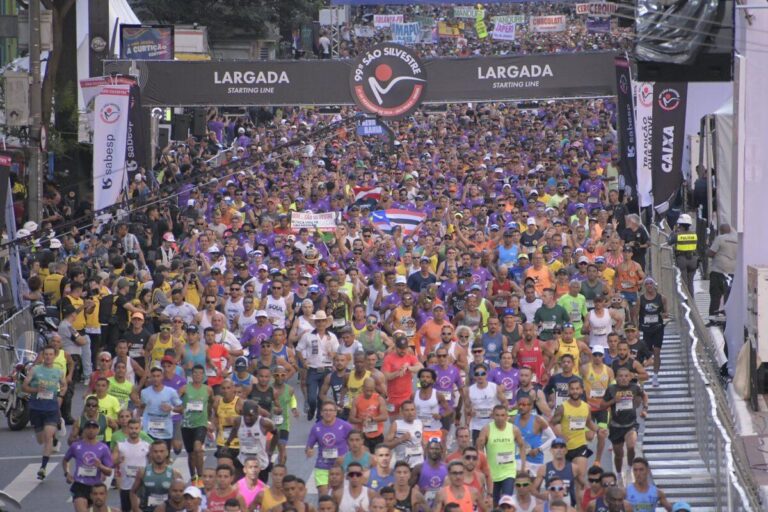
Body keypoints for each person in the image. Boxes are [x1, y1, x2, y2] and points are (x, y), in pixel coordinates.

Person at [23, 344, 67, 480]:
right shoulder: (35, 370)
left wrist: (60, 396)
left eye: (50, 354)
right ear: (42, 356)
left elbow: (64, 385)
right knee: (41, 439)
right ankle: (54, 437)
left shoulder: (58, 371)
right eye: (45, 354)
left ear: (54, 356)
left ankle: (43, 468)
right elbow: (24, 386)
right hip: (36, 408)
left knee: (47, 436)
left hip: (51, 408)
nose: (48, 357)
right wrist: (36, 390)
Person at [600, 367, 648, 479]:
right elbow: (602, 405)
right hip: (616, 426)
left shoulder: (635, 388)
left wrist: (645, 408)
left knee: (631, 446)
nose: (623, 378)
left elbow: (644, 395)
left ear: (630, 377)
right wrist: (613, 401)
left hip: (631, 424)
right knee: (618, 454)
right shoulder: (611, 389)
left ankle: (629, 468)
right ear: (616, 378)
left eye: (626, 376)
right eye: (620, 376)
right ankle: (618, 474)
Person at [476, 404, 527, 503]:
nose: (500, 418)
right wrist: (481, 468)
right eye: (497, 415)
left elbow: (522, 446)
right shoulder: (486, 429)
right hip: (492, 473)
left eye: (502, 415)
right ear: (493, 416)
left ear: (507, 416)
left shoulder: (514, 429)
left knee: (506, 501)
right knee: (494, 502)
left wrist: (523, 466)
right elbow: (479, 449)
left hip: (509, 472)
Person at [296, 311, 339, 421]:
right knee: (311, 397)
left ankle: (319, 419)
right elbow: (298, 350)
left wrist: (333, 354)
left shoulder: (332, 336)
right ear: (315, 323)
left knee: (322, 396)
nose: (320, 323)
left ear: (326, 322)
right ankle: (312, 408)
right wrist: (303, 362)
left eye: (322, 321)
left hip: (327, 369)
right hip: (313, 369)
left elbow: (338, 352)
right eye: (318, 321)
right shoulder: (308, 336)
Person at [63, 419, 114, 512]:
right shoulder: (76, 446)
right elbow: (65, 460)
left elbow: (109, 472)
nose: (91, 430)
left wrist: (100, 466)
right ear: (84, 430)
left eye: (94, 428)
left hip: (95, 487)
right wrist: (67, 473)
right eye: (89, 428)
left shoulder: (103, 448)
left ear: (98, 430)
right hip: (79, 485)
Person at [305, 400, 354, 495]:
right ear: (321, 413)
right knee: (324, 497)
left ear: (335, 412)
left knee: (339, 497)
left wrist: (347, 457)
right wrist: (308, 451)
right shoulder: (316, 428)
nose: (328, 413)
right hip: (322, 467)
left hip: (341, 467)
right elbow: (308, 446)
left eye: (331, 410)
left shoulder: (345, 426)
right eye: (325, 410)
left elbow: (356, 445)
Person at [225, 400, 275, 482]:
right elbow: (234, 430)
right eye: (245, 415)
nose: (247, 418)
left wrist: (270, 451)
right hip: (243, 460)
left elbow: (276, 434)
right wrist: (227, 443)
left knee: (260, 490)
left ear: (257, 413)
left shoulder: (264, 423)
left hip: (260, 462)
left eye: (250, 415)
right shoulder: (238, 421)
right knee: (238, 486)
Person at [180, 364, 214, 484]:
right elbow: (176, 403)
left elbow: (211, 404)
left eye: (200, 373)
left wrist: (209, 420)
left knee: (198, 449)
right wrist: (180, 409)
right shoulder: (184, 388)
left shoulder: (208, 390)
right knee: (191, 454)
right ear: (192, 375)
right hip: (187, 424)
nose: (198, 376)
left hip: (201, 424)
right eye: (195, 373)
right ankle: (193, 477)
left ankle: (201, 477)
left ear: (203, 375)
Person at [139, 366, 183, 449]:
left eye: (158, 376)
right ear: (150, 377)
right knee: (150, 456)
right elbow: (141, 409)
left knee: (164, 457)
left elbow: (181, 409)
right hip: (149, 430)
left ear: (162, 376)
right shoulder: (144, 392)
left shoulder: (171, 392)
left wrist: (171, 408)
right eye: (153, 376)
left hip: (165, 431)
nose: (156, 379)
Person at [132, 440, 181, 512]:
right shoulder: (143, 472)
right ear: (151, 453)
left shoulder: (175, 473)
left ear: (167, 452)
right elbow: (133, 492)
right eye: (155, 451)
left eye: (161, 451)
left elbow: (183, 496)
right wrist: (136, 508)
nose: (158, 454)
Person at [114, 418, 151, 512]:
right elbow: (111, 462)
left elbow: (152, 465)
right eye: (131, 428)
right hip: (125, 486)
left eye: (136, 428)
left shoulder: (147, 446)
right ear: (127, 429)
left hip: (141, 487)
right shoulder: (120, 445)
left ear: (140, 429)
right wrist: (117, 461)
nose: (134, 431)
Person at [381, 333, 422, 417]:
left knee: (407, 421)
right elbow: (386, 376)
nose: (403, 350)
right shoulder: (388, 358)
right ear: (396, 347)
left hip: (407, 396)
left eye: (404, 348)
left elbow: (420, 367)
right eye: (400, 348)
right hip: (392, 398)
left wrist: (409, 368)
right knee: (394, 423)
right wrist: (397, 373)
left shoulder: (410, 356)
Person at [638, 277, 669, 387]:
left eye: (651, 284)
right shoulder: (641, 299)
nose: (649, 286)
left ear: (654, 285)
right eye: (647, 284)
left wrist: (664, 315)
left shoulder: (662, 298)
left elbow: (666, 313)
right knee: (647, 354)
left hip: (658, 328)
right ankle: (641, 374)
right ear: (645, 286)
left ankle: (655, 376)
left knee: (657, 352)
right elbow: (636, 313)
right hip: (646, 329)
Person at [349, 377, 388, 452]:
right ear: (363, 387)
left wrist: (372, 419)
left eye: (371, 390)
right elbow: (351, 418)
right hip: (363, 435)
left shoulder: (379, 399)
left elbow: (385, 416)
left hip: (377, 434)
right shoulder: (357, 400)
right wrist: (361, 421)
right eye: (367, 390)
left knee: (378, 458)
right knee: (365, 458)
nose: (369, 393)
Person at [707, 223, 737, 321]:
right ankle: (728, 318)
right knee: (728, 296)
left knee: (715, 295)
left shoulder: (720, 238)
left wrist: (707, 251)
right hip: (732, 272)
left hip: (718, 270)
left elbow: (711, 253)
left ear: (721, 230)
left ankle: (713, 318)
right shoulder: (737, 240)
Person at [668, 213, 698, 295]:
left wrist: (673, 232)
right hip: (693, 259)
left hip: (682, 259)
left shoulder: (677, 235)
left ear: (679, 225)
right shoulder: (694, 234)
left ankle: (686, 302)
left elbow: (669, 241)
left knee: (684, 283)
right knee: (691, 283)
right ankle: (692, 301)